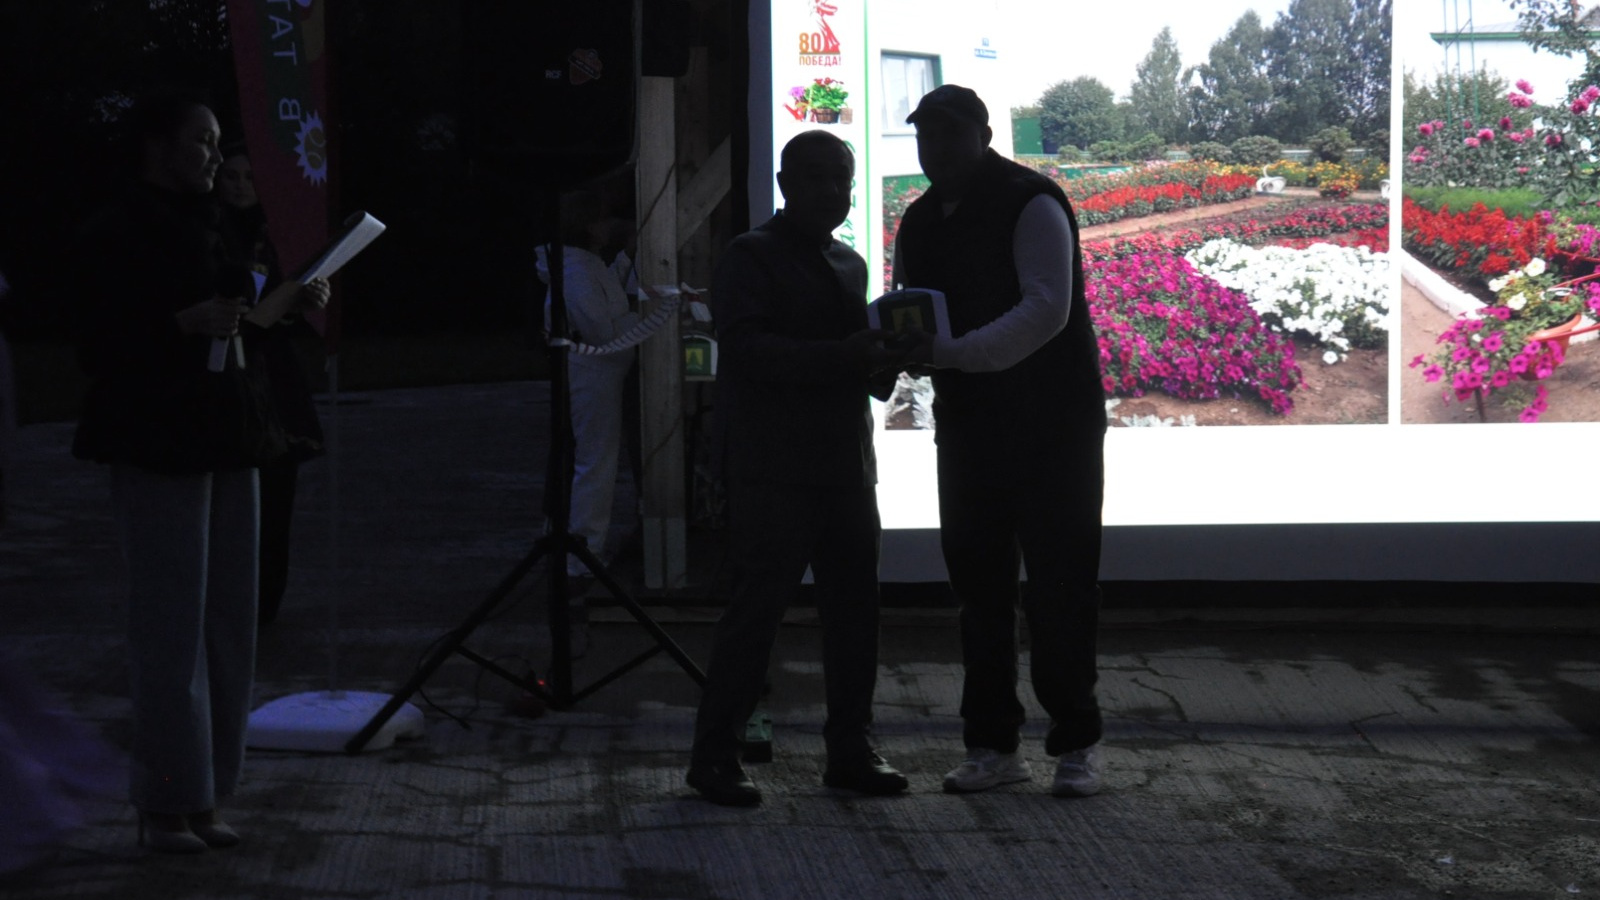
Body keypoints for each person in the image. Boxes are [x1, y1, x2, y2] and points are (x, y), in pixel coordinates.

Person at [71, 89, 287, 852]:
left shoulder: (217, 223)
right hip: (159, 439)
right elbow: (95, 344)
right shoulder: (116, 230)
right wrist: (179, 324)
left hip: (228, 435)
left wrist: (279, 305)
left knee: (229, 621)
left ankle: (206, 791)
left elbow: (239, 320)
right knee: (169, 627)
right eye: (201, 140)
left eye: (217, 140)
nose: (214, 155)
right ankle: (165, 801)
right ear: (155, 146)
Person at [892, 85, 1109, 798]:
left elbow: (1046, 310)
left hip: (1054, 428)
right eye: (926, 135)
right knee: (979, 591)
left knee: (1060, 587)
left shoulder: (1032, 201)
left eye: (949, 134)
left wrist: (949, 355)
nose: (936, 148)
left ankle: (1076, 743)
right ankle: (992, 745)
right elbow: (911, 312)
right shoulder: (920, 220)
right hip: (971, 426)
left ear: (983, 136)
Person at [685, 130, 908, 806]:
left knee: (855, 614)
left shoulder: (850, 263)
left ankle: (851, 750)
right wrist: (849, 355)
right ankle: (715, 757)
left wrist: (892, 358)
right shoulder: (749, 256)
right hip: (773, 467)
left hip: (845, 465)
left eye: (842, 179)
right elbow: (747, 352)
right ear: (784, 185)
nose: (832, 191)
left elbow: (854, 370)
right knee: (756, 615)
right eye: (816, 177)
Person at [214, 140, 331, 626]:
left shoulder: (277, 235)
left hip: (275, 379)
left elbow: (284, 310)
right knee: (231, 505)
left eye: (250, 178)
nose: (241, 187)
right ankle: (230, 606)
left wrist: (307, 299)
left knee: (276, 503)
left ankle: (264, 607)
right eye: (231, 177)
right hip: (226, 373)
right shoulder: (210, 233)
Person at [535, 191, 638, 586]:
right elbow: (601, 331)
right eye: (602, 219)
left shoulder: (586, 265)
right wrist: (647, 318)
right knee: (595, 461)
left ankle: (579, 548)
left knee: (592, 459)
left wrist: (627, 260)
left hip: (599, 374)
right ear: (587, 225)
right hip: (593, 375)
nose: (610, 226)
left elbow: (607, 303)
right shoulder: (576, 271)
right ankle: (582, 555)